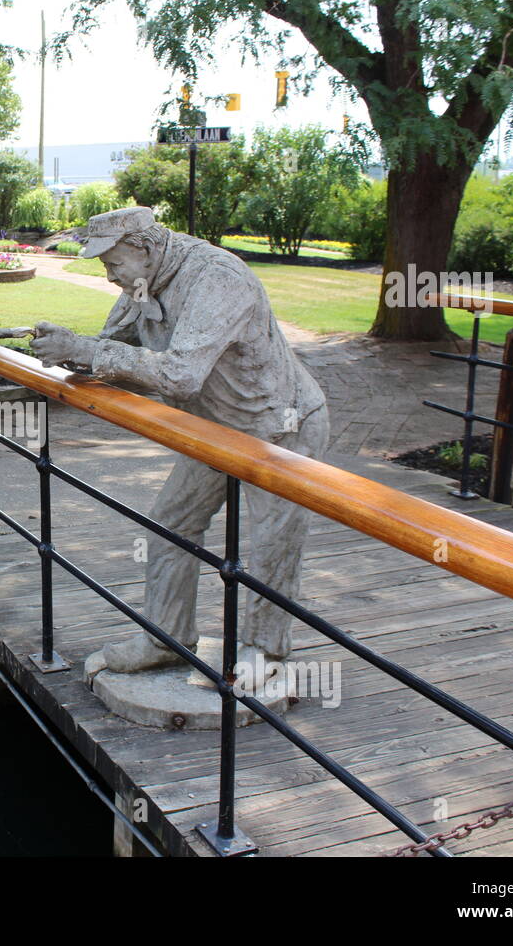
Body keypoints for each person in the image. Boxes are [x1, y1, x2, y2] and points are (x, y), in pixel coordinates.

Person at [30, 207, 328, 675]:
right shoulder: (140, 283)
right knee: (170, 522)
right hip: (214, 429)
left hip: (280, 427)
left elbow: (182, 375)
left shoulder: (217, 277)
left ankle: (264, 650)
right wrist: (70, 347)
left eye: (113, 263)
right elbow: (111, 345)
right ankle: (166, 638)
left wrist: (89, 352)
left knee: (272, 539)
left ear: (144, 248)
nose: (110, 277)